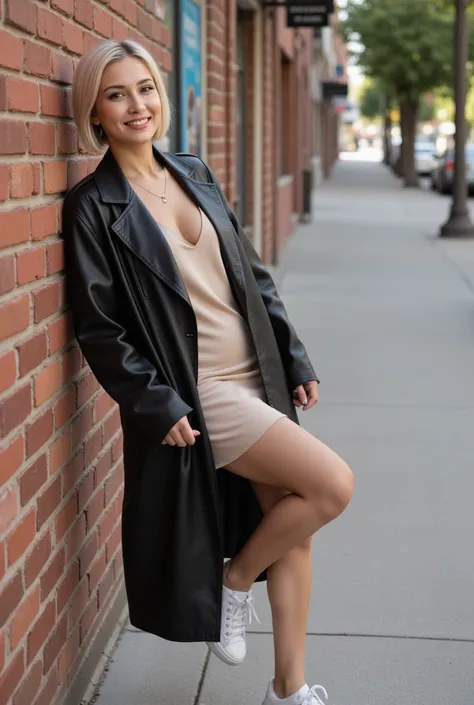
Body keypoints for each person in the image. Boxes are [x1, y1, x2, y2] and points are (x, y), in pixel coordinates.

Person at [63, 39, 354, 705]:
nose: (136, 104)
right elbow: (100, 327)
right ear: (95, 113)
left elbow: (251, 276)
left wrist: (293, 353)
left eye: (144, 88)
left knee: (292, 517)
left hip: (258, 371)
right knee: (332, 485)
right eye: (116, 94)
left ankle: (288, 687)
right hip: (205, 390)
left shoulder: (192, 170)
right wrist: (153, 402)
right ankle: (235, 577)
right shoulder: (93, 206)